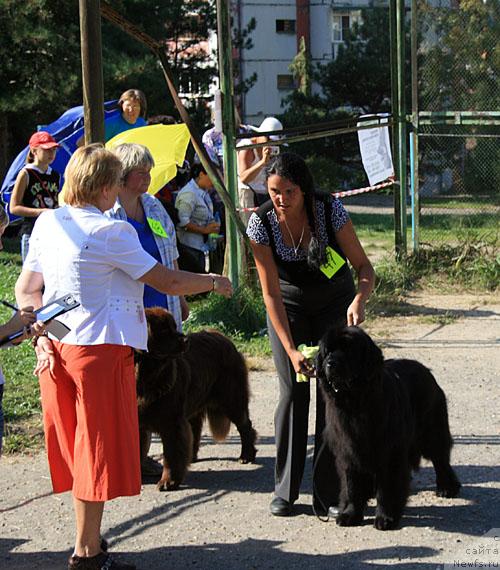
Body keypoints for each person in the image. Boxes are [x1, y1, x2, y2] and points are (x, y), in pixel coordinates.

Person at [15, 144, 232, 570]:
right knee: (94, 454)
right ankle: (87, 552)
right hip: (99, 353)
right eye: (116, 181)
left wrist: (42, 334)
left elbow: (27, 290)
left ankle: (88, 541)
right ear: (101, 186)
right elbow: (167, 280)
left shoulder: (48, 223)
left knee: (80, 451)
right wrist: (213, 281)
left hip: (58, 350)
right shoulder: (111, 232)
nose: (118, 190)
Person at [246, 152, 375, 517]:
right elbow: (269, 293)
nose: (281, 199)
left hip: (335, 303)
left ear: (303, 190)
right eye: (274, 191)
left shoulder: (329, 210)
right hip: (289, 308)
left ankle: (331, 491)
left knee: (331, 394)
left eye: (289, 191)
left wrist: (359, 299)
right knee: (293, 391)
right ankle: (285, 489)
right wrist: (290, 350)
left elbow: (364, 267)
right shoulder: (261, 224)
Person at [107, 143, 188, 332]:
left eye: (149, 171)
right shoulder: (108, 213)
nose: (148, 177)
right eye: (141, 172)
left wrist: (181, 297)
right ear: (122, 173)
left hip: (165, 302)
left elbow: (171, 253)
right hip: (128, 308)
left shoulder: (154, 206)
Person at [9, 131, 61, 260]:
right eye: (46, 149)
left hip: (52, 232)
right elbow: (14, 207)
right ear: (34, 151)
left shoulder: (55, 175)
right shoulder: (26, 173)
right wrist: (41, 212)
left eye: (54, 149)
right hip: (31, 232)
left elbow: (55, 201)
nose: (51, 153)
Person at [175, 163, 220, 274]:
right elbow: (182, 222)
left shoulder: (203, 193)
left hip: (201, 247)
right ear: (201, 174)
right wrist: (205, 230)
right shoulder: (189, 194)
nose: (214, 181)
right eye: (211, 176)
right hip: (189, 248)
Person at [237, 116, 283, 222]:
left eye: (273, 141)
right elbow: (244, 177)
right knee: (250, 230)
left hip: (263, 192)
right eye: (268, 139)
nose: (270, 143)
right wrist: (263, 162)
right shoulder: (246, 147)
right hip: (247, 193)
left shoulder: (272, 149)